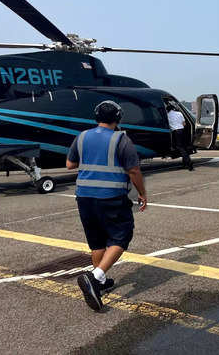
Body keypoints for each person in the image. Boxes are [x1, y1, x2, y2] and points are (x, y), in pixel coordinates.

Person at [66, 100, 147, 312]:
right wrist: (142, 193)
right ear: (118, 118)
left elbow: (70, 164)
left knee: (97, 242)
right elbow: (134, 171)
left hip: (84, 197)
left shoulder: (82, 136)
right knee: (122, 235)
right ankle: (95, 277)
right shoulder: (122, 139)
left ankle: (99, 284)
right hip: (111, 197)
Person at [167, 103, 193, 171]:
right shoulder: (179, 113)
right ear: (173, 108)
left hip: (175, 132)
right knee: (184, 147)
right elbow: (184, 124)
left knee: (179, 147)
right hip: (182, 131)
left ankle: (189, 162)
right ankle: (185, 164)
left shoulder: (167, 115)